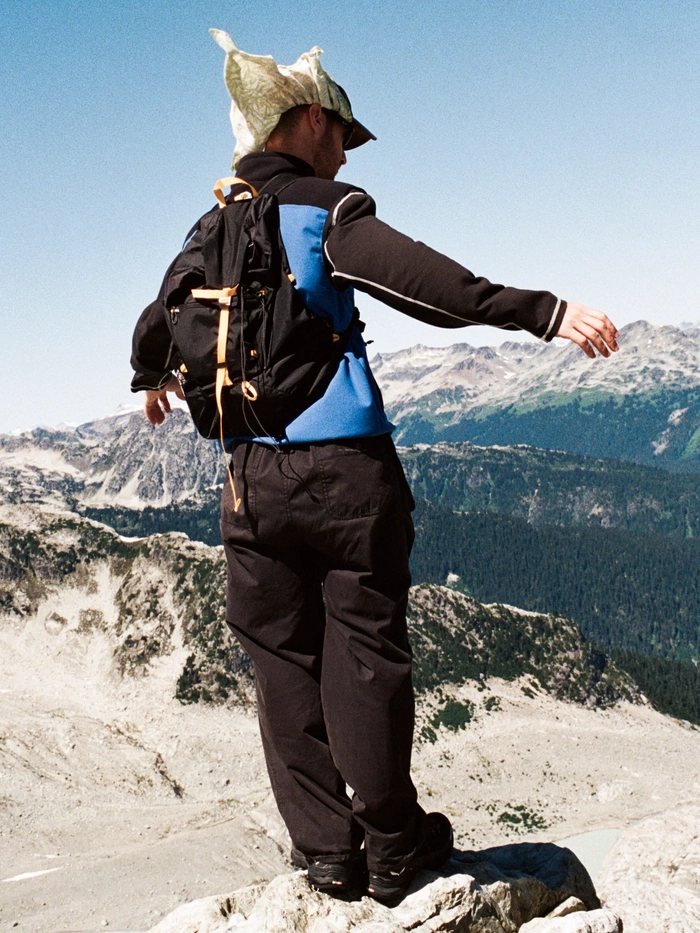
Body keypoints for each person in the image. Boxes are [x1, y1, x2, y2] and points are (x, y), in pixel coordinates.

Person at [130, 33, 619, 904]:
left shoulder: (212, 223)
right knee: (363, 649)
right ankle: (396, 848)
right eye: (342, 134)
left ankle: (325, 852)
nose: (345, 150)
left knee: (281, 660)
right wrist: (545, 313)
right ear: (310, 119)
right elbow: (425, 283)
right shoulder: (326, 208)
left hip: (248, 481)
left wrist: (150, 382)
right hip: (345, 471)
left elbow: (156, 318)